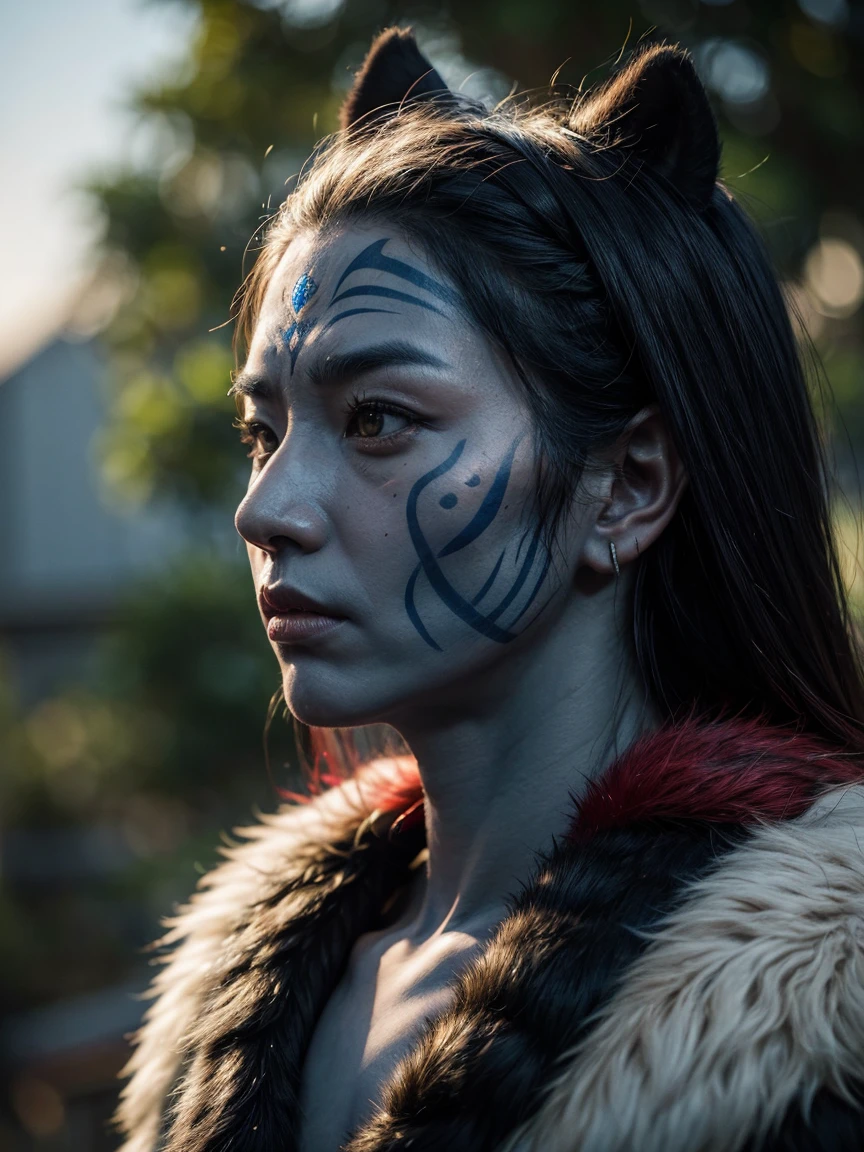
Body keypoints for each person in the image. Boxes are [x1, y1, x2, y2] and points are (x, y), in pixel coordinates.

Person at [113, 27, 864, 1152]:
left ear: (626, 487)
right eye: (264, 429)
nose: (266, 508)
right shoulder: (233, 998)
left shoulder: (810, 1029)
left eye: (378, 420)